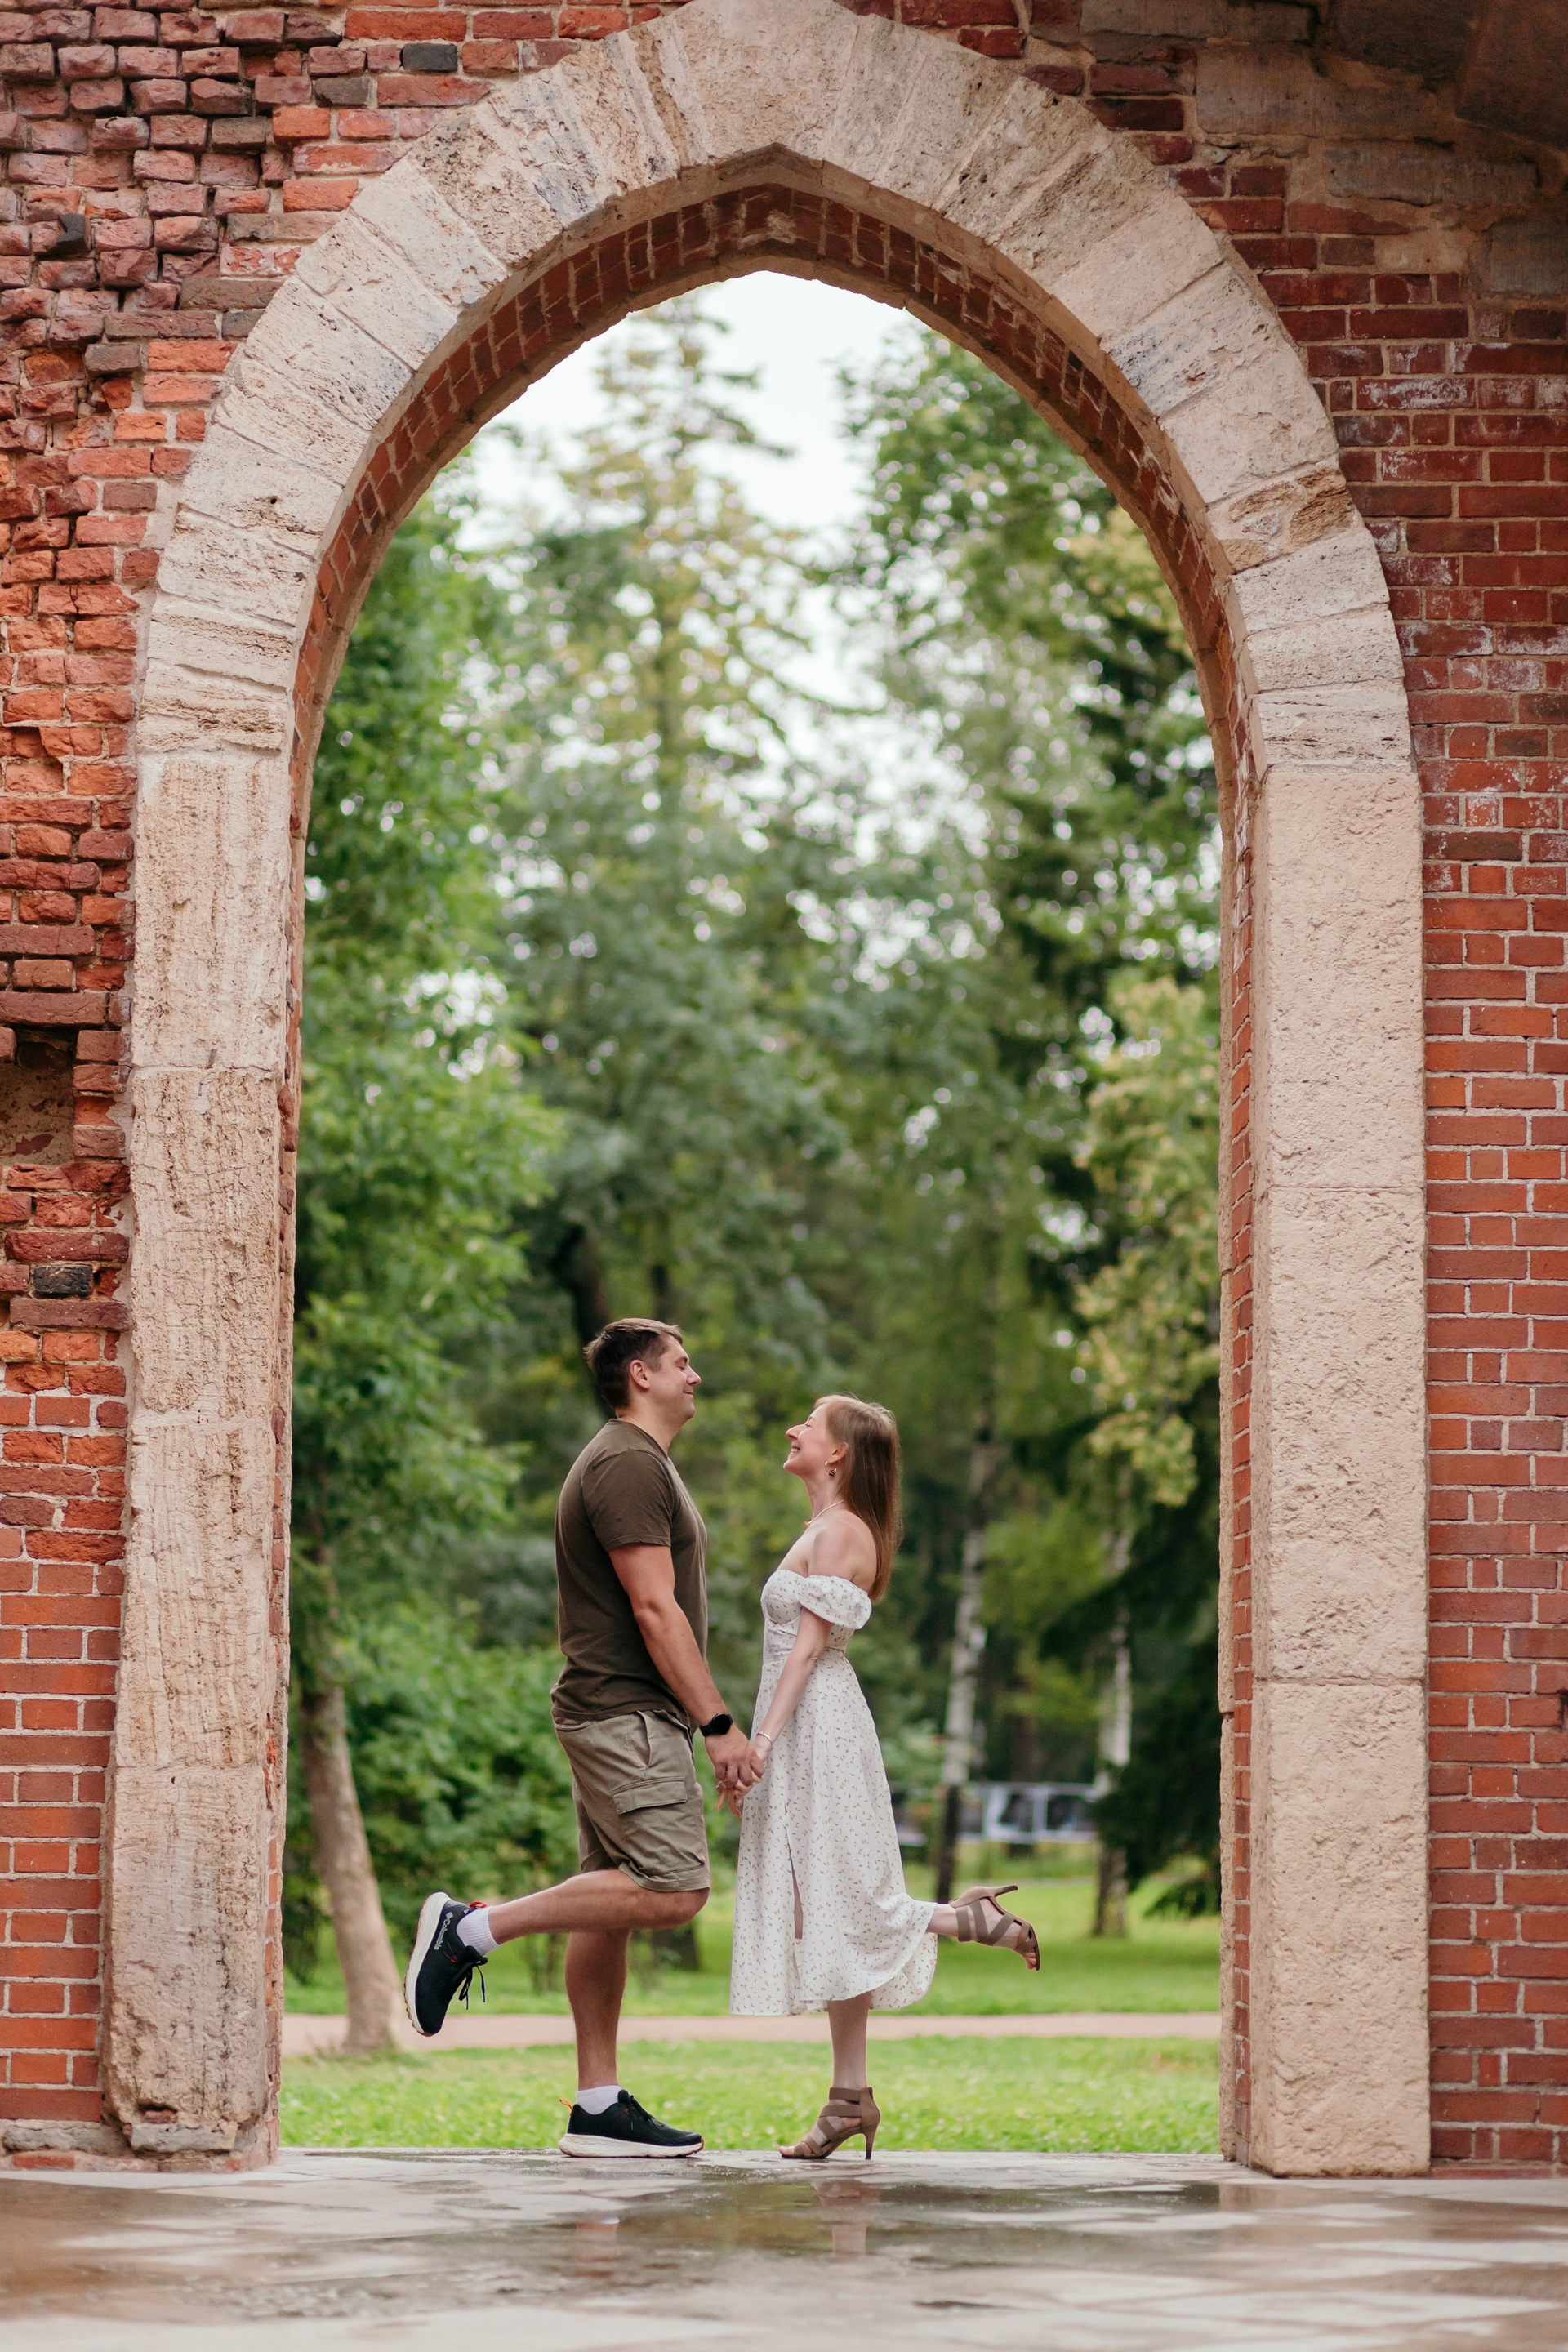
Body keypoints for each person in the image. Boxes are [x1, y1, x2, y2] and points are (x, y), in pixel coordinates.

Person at [404, 1317, 758, 2158]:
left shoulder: (637, 1461)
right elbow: (654, 1608)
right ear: (641, 1375)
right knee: (675, 1888)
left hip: (622, 1709)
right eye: (682, 1363)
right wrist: (718, 1724)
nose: (695, 1377)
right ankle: (469, 1930)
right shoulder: (628, 1463)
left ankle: (597, 2104)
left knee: (611, 1901)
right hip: (625, 1710)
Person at [728, 1394, 1039, 2161]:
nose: (793, 1428)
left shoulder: (842, 1532)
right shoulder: (823, 1527)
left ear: (837, 1452)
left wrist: (761, 1743)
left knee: (844, 1899)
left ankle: (969, 1922)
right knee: (826, 1907)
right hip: (805, 1722)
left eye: (810, 1422)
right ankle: (848, 2099)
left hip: (818, 1729)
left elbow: (808, 1649)